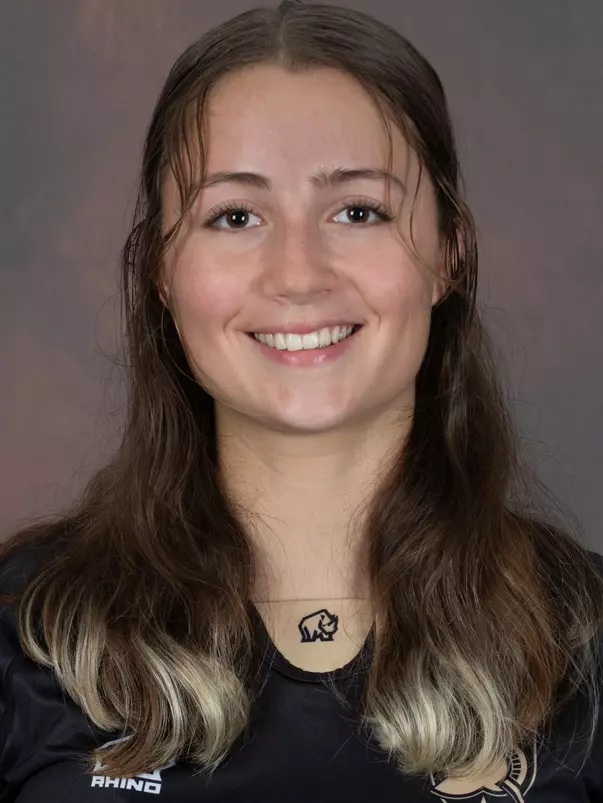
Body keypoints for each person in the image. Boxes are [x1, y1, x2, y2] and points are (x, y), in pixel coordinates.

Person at [1, 0, 602, 800]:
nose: (297, 272)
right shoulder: (23, 633)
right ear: (158, 269)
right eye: (235, 215)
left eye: (358, 210)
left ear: (446, 254)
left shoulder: (583, 635)